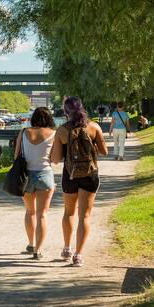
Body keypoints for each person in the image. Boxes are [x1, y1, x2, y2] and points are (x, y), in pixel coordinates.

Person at [50, 96, 108, 267]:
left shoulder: (61, 131)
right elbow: (104, 151)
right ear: (82, 108)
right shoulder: (94, 127)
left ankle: (67, 248)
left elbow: (55, 159)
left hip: (70, 176)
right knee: (85, 216)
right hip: (90, 175)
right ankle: (78, 255)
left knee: (69, 213)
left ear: (66, 111)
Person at [18, 107, 57, 260]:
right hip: (45, 174)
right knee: (42, 214)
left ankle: (31, 244)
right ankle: (38, 251)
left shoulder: (23, 132)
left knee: (30, 212)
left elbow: (16, 156)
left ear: (33, 118)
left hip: (26, 175)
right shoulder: (53, 134)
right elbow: (55, 159)